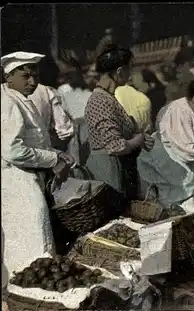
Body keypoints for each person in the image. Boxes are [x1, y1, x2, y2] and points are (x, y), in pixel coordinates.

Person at [1, 51, 75, 284]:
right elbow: (13, 151)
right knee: (31, 238)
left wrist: (57, 153)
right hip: (16, 181)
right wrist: (53, 160)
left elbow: (34, 143)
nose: (33, 82)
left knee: (32, 240)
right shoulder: (8, 102)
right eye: (26, 76)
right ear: (8, 77)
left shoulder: (20, 99)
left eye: (35, 75)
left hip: (26, 178)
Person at [137, 76, 194, 207]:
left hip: (186, 157)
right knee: (179, 192)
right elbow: (186, 149)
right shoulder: (178, 111)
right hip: (169, 156)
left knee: (192, 190)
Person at [84, 44, 154, 200]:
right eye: (129, 68)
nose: (131, 73)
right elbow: (116, 146)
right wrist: (139, 140)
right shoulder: (100, 101)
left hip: (116, 167)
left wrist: (139, 136)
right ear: (119, 72)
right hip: (108, 171)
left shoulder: (108, 98)